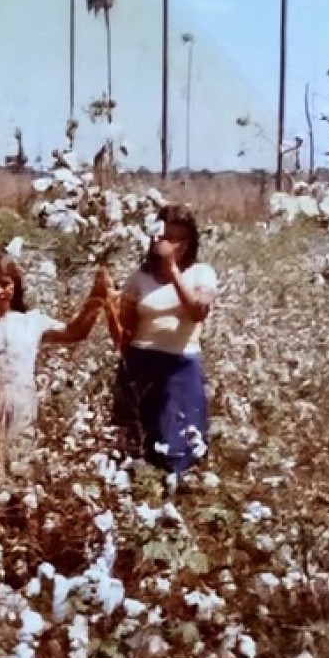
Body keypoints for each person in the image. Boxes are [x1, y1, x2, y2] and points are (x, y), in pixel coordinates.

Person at [0, 252, 113, 477]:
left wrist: (95, 299)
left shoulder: (30, 321)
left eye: (5, 284)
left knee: (18, 469)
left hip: (22, 408)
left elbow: (74, 333)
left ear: (15, 286)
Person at [110, 204, 219, 479]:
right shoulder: (140, 278)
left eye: (180, 238)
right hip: (141, 364)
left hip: (180, 367)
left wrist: (172, 271)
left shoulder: (200, 273)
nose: (174, 245)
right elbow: (125, 328)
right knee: (136, 443)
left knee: (180, 446)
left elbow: (198, 312)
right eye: (167, 237)